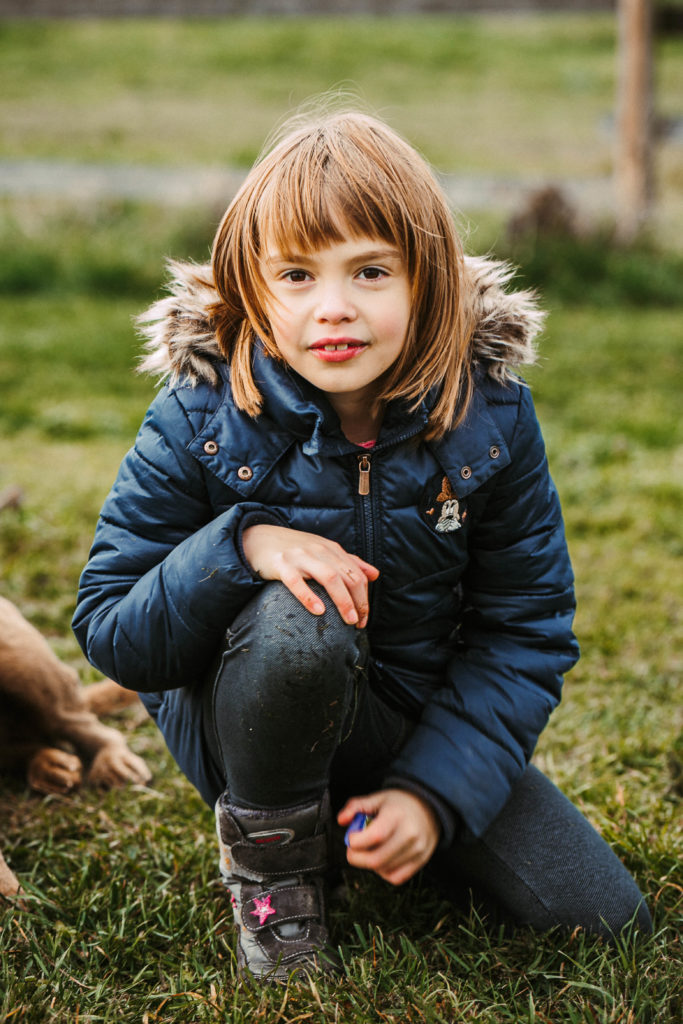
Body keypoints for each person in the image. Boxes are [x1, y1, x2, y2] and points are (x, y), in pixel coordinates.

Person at [73, 108, 651, 982]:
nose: (333, 308)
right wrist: (245, 543)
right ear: (250, 290)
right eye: (297, 275)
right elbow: (113, 630)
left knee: (600, 918)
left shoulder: (490, 419)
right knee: (298, 619)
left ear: (430, 283)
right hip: (250, 728)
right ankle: (273, 870)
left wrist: (432, 794)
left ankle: (377, 823)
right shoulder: (197, 417)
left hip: (411, 729)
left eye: (371, 271)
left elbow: (523, 630)